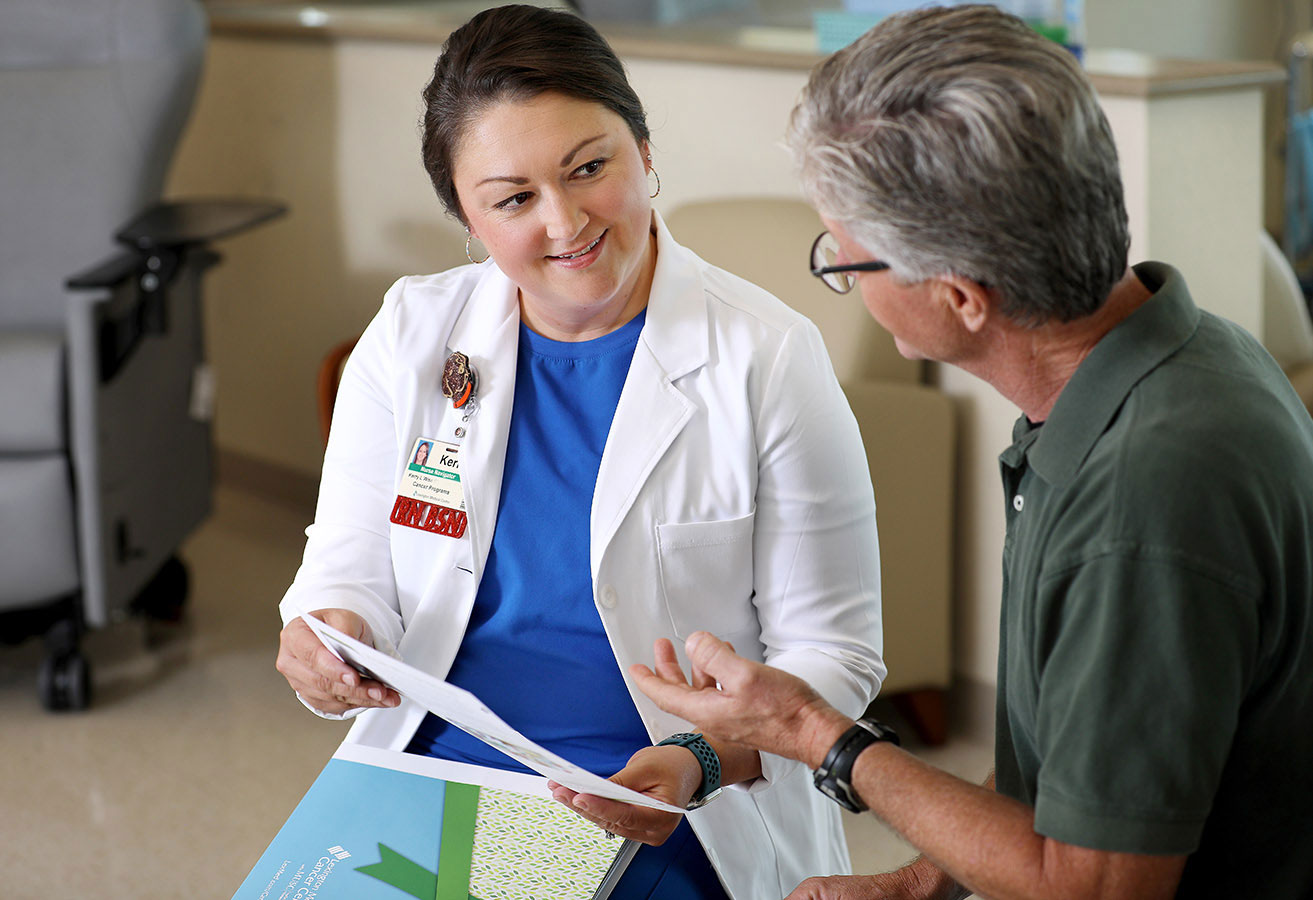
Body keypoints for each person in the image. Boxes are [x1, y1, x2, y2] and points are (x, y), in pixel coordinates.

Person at [631, 5, 1313, 900]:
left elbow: (1092, 887)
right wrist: (920, 883)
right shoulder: (1174, 355)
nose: (837, 274)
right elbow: (1083, 764)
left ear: (958, 297)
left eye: (844, 260)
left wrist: (816, 732)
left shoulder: (1142, 497)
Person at [273, 6, 885, 899]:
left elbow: (836, 652)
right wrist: (330, 638)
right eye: (514, 199)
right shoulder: (412, 332)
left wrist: (694, 762)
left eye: (588, 168)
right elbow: (349, 563)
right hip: (444, 773)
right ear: (468, 221)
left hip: (665, 789)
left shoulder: (766, 356)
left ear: (643, 150)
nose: (566, 223)